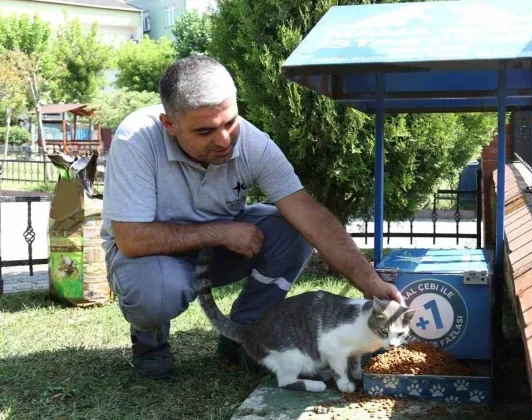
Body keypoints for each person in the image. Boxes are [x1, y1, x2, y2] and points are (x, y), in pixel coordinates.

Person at [100, 55, 404, 380]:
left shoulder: (253, 143)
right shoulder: (135, 140)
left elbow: (310, 215)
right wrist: (220, 232)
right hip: (150, 257)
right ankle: (151, 342)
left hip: (214, 253)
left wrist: (369, 282)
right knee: (157, 292)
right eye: (204, 131)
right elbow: (132, 239)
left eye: (230, 122)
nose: (223, 140)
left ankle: (244, 335)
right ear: (169, 125)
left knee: (294, 228)